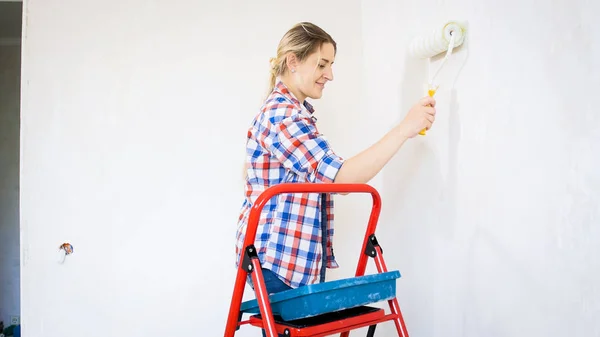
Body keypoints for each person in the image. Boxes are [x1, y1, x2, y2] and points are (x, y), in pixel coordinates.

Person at [234, 21, 435, 326]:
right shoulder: (283, 115)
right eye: (322, 64)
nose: (329, 74)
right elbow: (341, 180)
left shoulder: (296, 114)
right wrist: (404, 129)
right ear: (293, 61)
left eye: (331, 65)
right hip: (276, 259)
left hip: (293, 260)